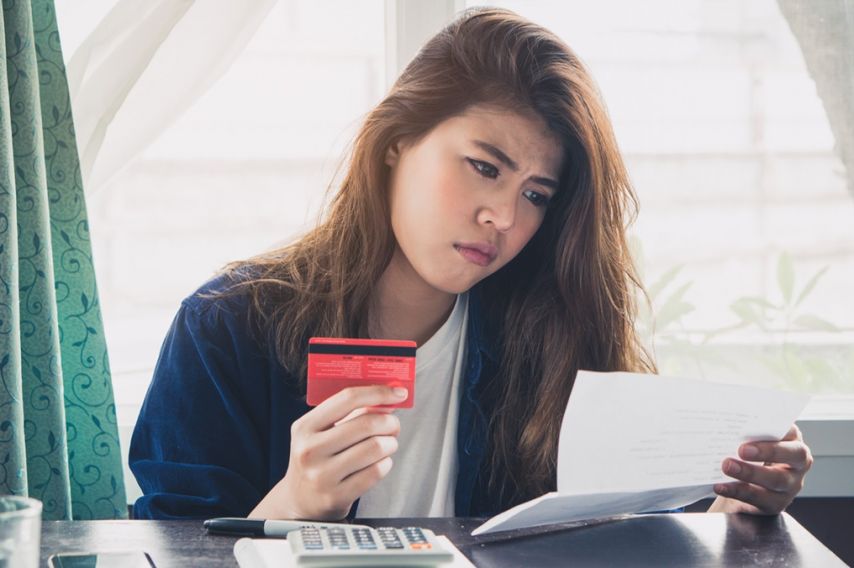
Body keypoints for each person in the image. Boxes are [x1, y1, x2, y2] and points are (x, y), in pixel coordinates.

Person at [129, 7, 813, 521]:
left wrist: (733, 506)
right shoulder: (227, 328)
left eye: (536, 195)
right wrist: (293, 504)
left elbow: (618, 534)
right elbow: (171, 546)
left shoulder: (550, 332)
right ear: (396, 141)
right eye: (484, 167)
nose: (505, 218)